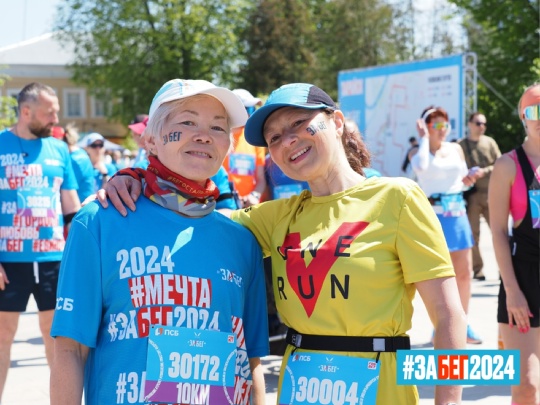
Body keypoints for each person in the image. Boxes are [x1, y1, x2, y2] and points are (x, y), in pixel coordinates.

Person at [101, 83, 467, 405]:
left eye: (298, 123)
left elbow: (449, 315)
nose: (287, 140)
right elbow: (191, 217)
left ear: (337, 122)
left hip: (382, 388)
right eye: (274, 138)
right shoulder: (273, 217)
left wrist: (448, 401)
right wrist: (137, 178)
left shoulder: (398, 198)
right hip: (299, 388)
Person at [50, 79, 269, 405]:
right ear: (150, 140)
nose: (204, 135)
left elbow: (250, 361)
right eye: (188, 122)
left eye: (217, 127)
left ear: (228, 146)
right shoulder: (99, 222)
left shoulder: (242, 241)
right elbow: (70, 349)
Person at [0, 82, 80, 402]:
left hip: (53, 260)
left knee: (57, 339)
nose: (55, 119)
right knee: (3, 338)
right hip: (8, 263)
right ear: (26, 111)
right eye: (49, 113)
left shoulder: (59, 149)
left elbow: (70, 204)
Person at [410, 106, 482, 345]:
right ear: (425, 126)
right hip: (433, 218)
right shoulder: (418, 152)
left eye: (445, 125)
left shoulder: (455, 149)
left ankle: (463, 324)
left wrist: (469, 180)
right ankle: (440, 326)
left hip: (457, 213)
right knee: (438, 278)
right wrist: (423, 139)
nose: (442, 130)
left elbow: (462, 182)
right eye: (436, 125)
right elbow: (421, 167)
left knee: (464, 274)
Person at [489, 83, 540, 405]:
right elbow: (497, 231)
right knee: (526, 386)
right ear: (523, 116)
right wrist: (512, 290)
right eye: (535, 110)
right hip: (523, 280)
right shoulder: (508, 165)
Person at [458, 112, 501, 281]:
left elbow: (500, 163)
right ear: (470, 124)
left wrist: (485, 171)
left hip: (491, 194)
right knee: (473, 234)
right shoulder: (460, 145)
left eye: (484, 123)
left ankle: (503, 269)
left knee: (499, 233)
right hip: (472, 196)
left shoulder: (489, 142)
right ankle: (478, 269)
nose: (481, 126)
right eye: (478, 123)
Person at [222, 89, 267, 207]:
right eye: (248, 109)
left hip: (249, 208)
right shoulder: (217, 137)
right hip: (222, 206)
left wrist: (254, 196)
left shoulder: (255, 139)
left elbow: (261, 180)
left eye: (253, 110)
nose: (251, 115)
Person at [56, 123, 95, 203]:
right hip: (86, 200)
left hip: (80, 203)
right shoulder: (82, 153)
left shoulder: (73, 159)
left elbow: (68, 185)